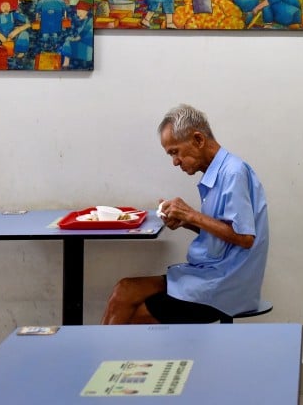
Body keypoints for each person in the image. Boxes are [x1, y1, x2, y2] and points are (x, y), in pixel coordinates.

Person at [102, 104, 269, 324]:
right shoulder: (218, 172)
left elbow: (245, 238)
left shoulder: (233, 172)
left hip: (223, 287)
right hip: (207, 275)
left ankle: (106, 357)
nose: (175, 161)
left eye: (175, 152)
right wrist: (185, 221)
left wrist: (191, 215)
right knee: (124, 290)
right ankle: (95, 358)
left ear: (198, 140)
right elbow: (222, 232)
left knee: (135, 316)